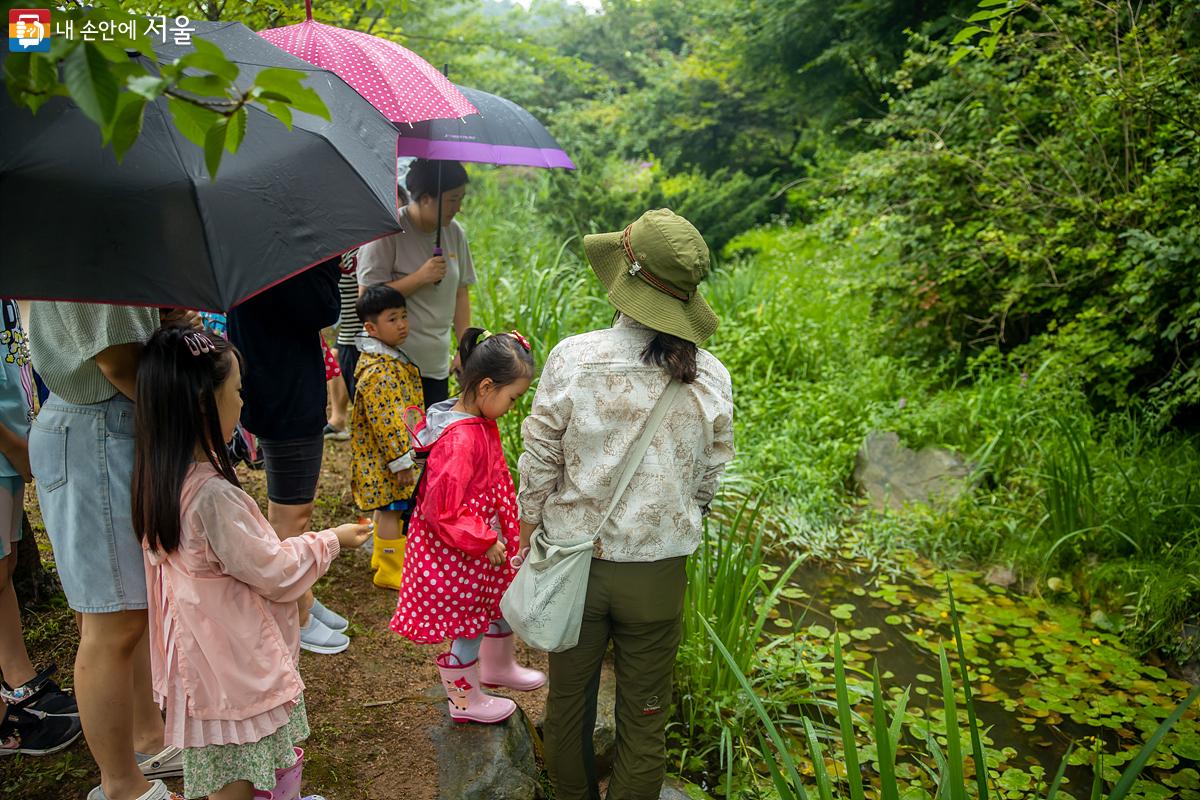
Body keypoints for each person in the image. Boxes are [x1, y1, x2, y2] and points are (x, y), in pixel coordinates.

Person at [518, 209, 735, 800]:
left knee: (567, 707)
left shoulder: (572, 359)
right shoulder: (712, 375)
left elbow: (538, 464)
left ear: (624, 279)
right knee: (645, 717)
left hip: (574, 565)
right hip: (658, 574)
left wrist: (526, 535)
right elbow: (709, 479)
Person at [132, 326, 369, 800]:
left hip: (199, 652)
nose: (243, 402)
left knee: (228, 760)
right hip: (229, 661)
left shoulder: (159, 476)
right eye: (237, 391)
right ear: (205, 403)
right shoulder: (212, 497)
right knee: (235, 767)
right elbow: (276, 571)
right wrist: (331, 540)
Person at [28, 301, 194, 800]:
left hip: (102, 429)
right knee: (110, 622)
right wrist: (187, 420)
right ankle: (120, 783)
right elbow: (118, 362)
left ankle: (146, 736)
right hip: (96, 432)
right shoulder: (94, 242)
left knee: (125, 612)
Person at [389, 329, 545, 724]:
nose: (513, 406)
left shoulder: (477, 420)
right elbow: (444, 509)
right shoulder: (460, 440)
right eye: (513, 398)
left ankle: (497, 667)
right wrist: (484, 539)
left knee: (496, 602)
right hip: (462, 552)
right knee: (469, 622)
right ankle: (464, 700)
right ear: (486, 386)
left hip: (481, 548)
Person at [226, 258, 350, 655]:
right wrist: (327, 266)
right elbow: (323, 308)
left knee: (290, 509)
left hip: (276, 381)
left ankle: (302, 599)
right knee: (290, 514)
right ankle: (291, 614)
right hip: (282, 390)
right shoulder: (277, 257)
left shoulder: (257, 249)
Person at [0, 298, 82, 757]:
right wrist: (12, 444)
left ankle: (19, 684)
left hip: (12, 443)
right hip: (6, 444)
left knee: (5, 567)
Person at [357, 159, 475, 407]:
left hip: (436, 364)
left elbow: (460, 293)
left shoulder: (454, 233)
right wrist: (420, 277)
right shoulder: (389, 232)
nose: (459, 207)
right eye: (453, 199)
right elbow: (367, 299)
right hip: (393, 365)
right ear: (424, 198)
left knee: (429, 442)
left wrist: (464, 349)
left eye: (461, 199)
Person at [349, 284, 424, 589]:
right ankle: (392, 570)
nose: (402, 324)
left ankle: (382, 559)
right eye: (392, 319)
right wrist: (401, 461)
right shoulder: (381, 370)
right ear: (371, 327)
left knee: (386, 509)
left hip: (381, 458)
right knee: (392, 510)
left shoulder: (387, 359)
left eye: (404, 316)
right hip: (385, 460)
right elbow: (388, 421)